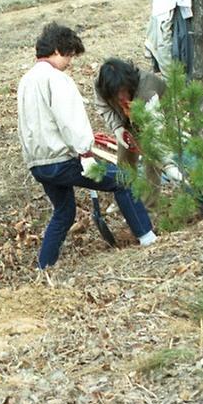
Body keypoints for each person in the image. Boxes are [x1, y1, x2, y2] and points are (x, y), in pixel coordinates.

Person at [17, 23, 157, 270]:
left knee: (64, 212)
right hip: (61, 160)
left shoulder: (26, 81)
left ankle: (44, 268)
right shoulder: (57, 79)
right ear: (59, 50)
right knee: (124, 179)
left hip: (38, 163)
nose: (70, 62)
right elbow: (69, 119)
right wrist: (85, 152)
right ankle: (148, 239)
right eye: (70, 55)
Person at [94, 58, 182, 203]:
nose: (121, 97)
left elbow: (156, 130)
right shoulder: (102, 85)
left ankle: (149, 204)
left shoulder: (147, 89)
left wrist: (168, 163)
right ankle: (125, 198)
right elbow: (104, 106)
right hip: (126, 119)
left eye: (123, 91)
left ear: (130, 84)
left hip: (157, 116)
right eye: (116, 93)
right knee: (124, 160)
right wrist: (117, 128)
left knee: (152, 161)